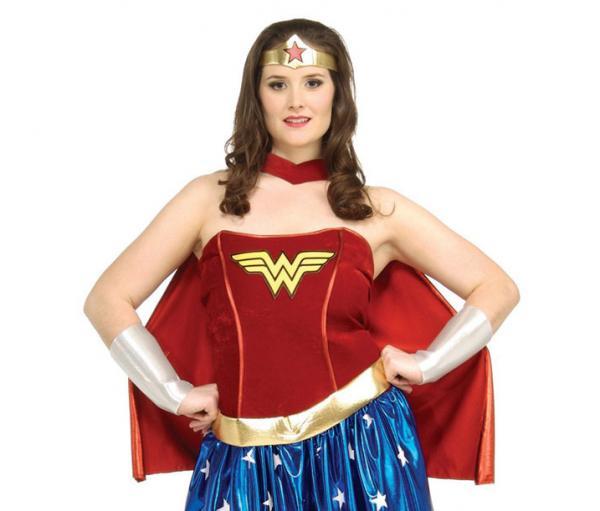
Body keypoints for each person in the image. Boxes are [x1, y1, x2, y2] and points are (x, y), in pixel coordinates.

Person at [83, 18, 519, 511]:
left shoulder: (375, 209)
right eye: (278, 84)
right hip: (243, 456)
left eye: (313, 82)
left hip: (365, 448)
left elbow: (496, 287)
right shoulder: (206, 200)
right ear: (256, 96)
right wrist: (173, 392)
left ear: (337, 95)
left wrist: (426, 363)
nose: (296, 101)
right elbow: (107, 299)